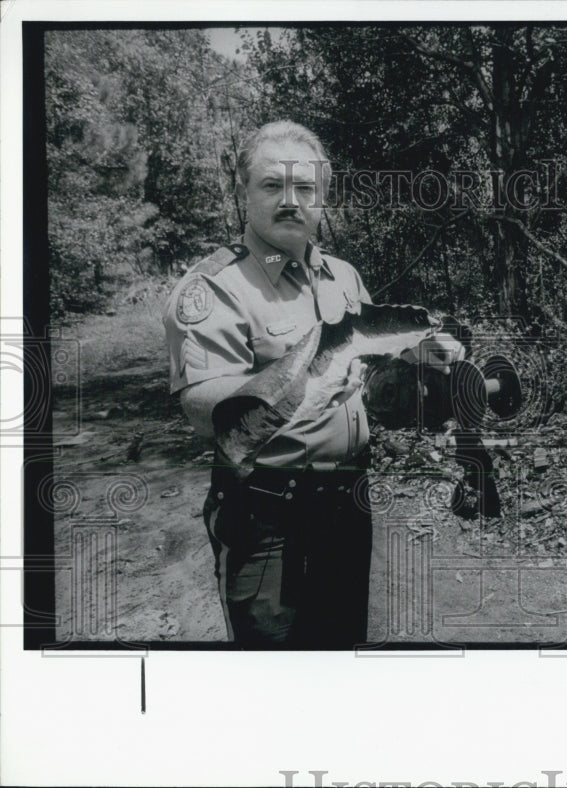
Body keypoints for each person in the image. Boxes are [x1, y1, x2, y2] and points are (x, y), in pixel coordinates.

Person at [163, 120, 463, 648]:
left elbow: (367, 360)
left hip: (349, 504)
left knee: (341, 655)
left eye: (305, 188)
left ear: (323, 196)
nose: (290, 201)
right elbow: (200, 406)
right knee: (276, 673)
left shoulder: (342, 276)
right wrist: (301, 387)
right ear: (243, 193)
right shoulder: (215, 287)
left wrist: (420, 353)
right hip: (266, 515)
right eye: (272, 185)